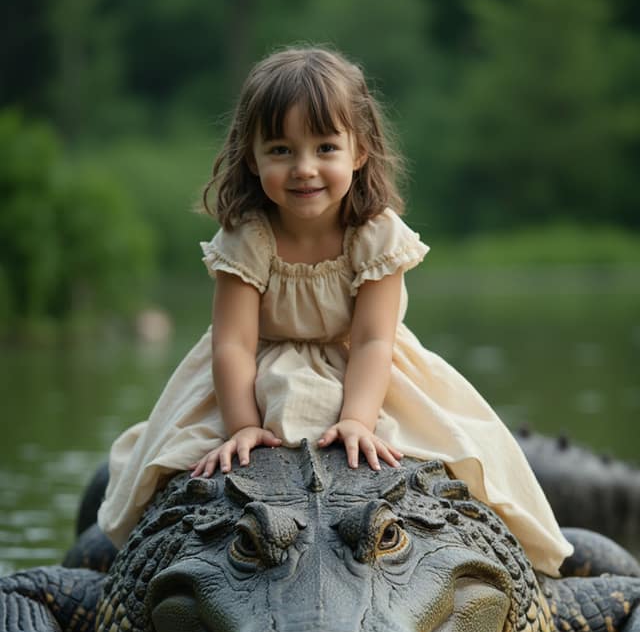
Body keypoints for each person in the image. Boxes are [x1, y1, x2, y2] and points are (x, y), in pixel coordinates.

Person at [97, 46, 572, 576]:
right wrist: (243, 426)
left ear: (360, 151)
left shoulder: (375, 233)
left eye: (325, 147)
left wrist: (357, 421)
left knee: (467, 453)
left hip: (363, 368)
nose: (304, 169)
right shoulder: (247, 235)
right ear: (251, 157)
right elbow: (231, 342)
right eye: (280, 149)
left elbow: (373, 340)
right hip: (257, 369)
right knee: (172, 462)